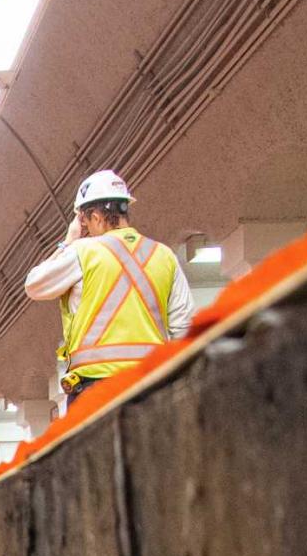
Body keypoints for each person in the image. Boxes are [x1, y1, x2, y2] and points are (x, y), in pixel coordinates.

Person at [22, 170, 192, 411]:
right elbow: (183, 328)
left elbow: (34, 284)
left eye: (85, 222)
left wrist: (68, 241)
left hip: (95, 390)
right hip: (152, 386)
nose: (86, 229)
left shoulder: (83, 251)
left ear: (96, 216)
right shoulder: (164, 255)